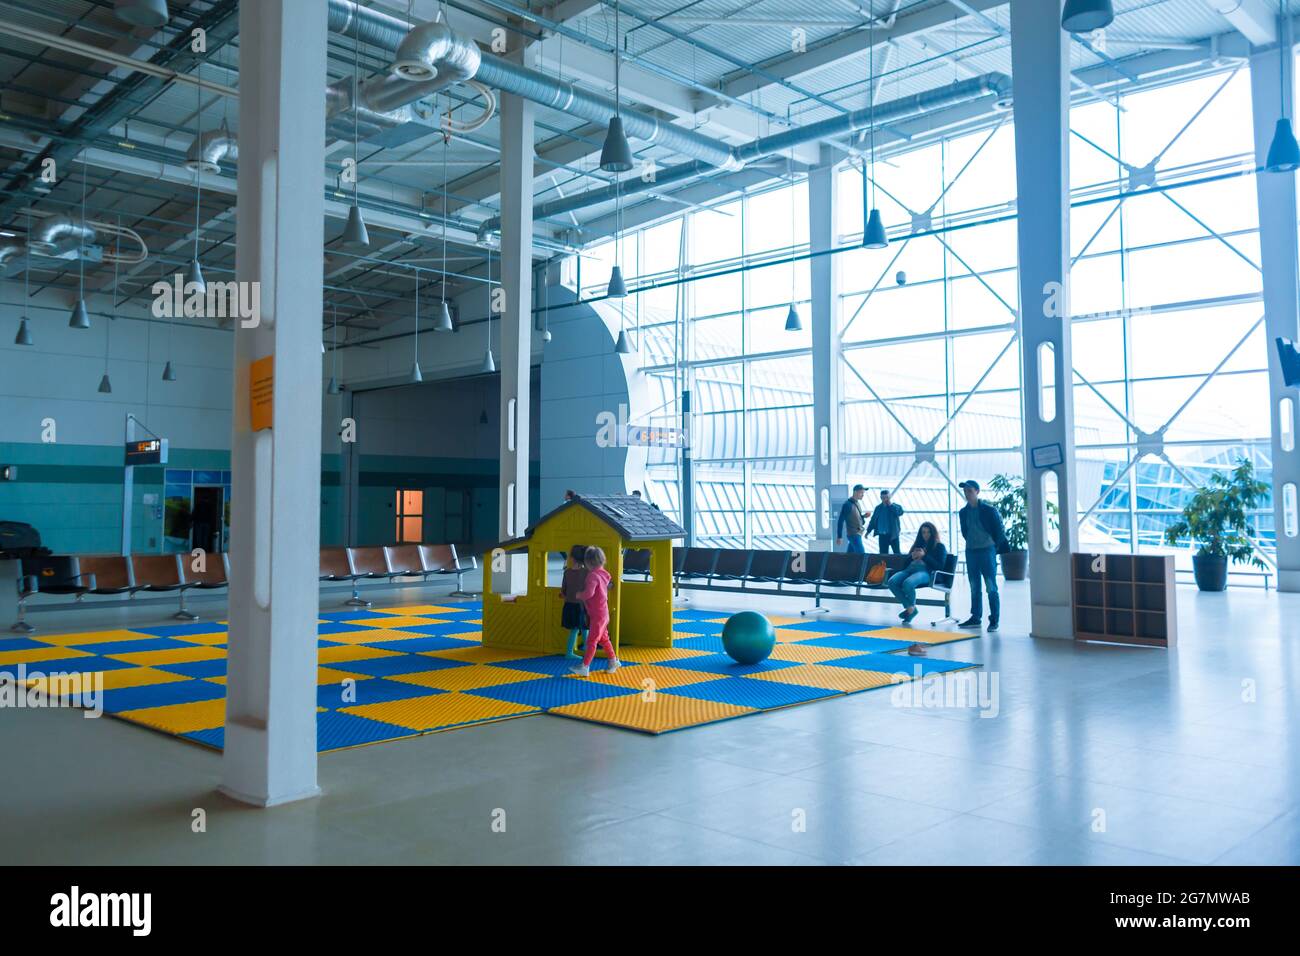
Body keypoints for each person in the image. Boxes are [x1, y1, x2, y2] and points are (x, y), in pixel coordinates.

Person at [957, 479, 1009, 631]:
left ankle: (994, 620)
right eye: (965, 491)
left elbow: (998, 531)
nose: (967, 494)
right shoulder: (963, 512)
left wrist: (992, 546)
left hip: (987, 550)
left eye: (970, 491)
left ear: (977, 492)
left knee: (991, 586)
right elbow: (965, 532)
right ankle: (975, 617)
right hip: (971, 551)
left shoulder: (989, 510)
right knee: (974, 586)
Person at [569, 546, 621, 676]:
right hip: (602, 613)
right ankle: (613, 660)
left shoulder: (593, 576)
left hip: (598, 615)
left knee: (592, 641)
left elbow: (589, 593)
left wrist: (579, 595)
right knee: (604, 639)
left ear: (589, 562)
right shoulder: (604, 574)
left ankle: (585, 666)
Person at [886, 522, 947, 625]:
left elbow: (939, 566)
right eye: (923, 532)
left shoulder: (939, 546)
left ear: (933, 533)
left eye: (928, 532)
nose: (926, 535)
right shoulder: (918, 545)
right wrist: (911, 557)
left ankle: (910, 610)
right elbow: (905, 564)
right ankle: (910, 608)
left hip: (926, 572)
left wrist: (924, 556)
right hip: (909, 570)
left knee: (908, 583)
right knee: (892, 581)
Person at [559, 544, 589, 660]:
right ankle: (587, 651)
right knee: (585, 628)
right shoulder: (586, 572)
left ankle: (569, 652)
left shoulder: (567, 572)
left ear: (572, 558)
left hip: (569, 605)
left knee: (574, 630)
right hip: (581, 605)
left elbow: (563, 591)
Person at [865, 489, 904, 554]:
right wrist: (868, 531)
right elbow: (873, 520)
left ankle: (898, 564)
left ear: (890, 497)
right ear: (881, 498)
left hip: (893, 535)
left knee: (897, 554)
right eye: (883, 498)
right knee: (883, 555)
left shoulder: (895, 506)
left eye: (887, 497)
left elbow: (900, 512)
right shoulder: (878, 508)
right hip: (882, 535)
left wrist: (891, 505)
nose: (885, 499)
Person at [835, 485, 870, 553]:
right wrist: (839, 536)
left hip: (857, 533)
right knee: (861, 555)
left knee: (849, 556)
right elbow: (840, 521)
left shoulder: (857, 503)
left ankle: (845, 563)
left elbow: (855, 518)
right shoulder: (847, 505)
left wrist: (863, 516)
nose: (863, 495)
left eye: (863, 493)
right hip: (854, 534)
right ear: (855, 492)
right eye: (861, 493)